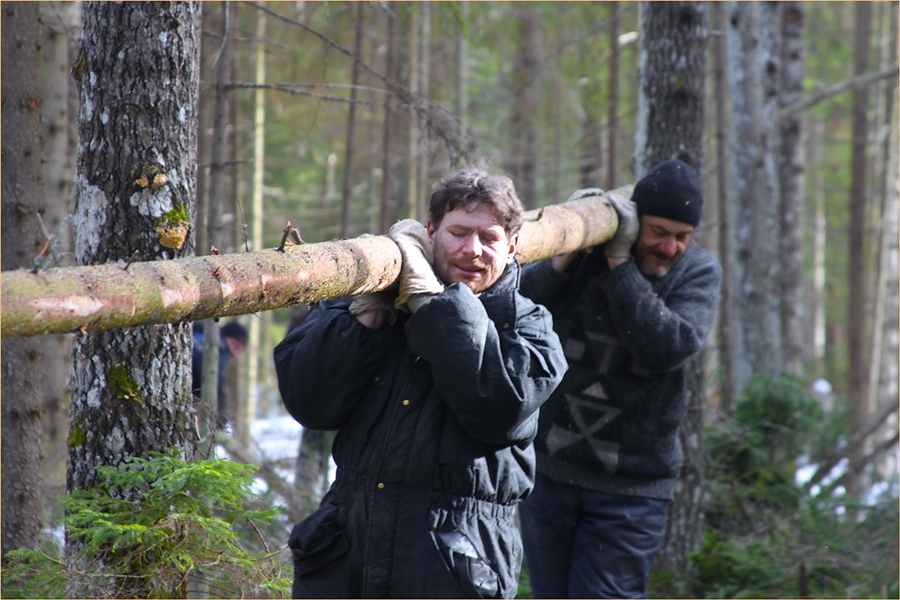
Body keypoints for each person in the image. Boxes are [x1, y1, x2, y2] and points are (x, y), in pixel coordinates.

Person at [273, 165, 568, 598]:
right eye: (458, 233)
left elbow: (496, 408)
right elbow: (310, 403)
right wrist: (367, 318)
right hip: (346, 552)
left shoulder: (529, 327)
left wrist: (432, 304)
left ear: (513, 246)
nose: (473, 250)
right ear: (430, 233)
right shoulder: (377, 301)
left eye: (489, 238)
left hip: (453, 562)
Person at [517, 159, 722, 598]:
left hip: (632, 491)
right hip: (549, 475)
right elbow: (517, 309)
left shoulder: (698, 273)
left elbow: (667, 345)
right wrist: (565, 250)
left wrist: (618, 264)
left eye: (681, 237)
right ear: (635, 222)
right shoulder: (585, 259)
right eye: (659, 232)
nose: (670, 248)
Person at [192, 320, 248, 428]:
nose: (235, 354)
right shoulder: (218, 347)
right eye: (236, 346)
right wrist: (221, 417)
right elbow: (216, 383)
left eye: (240, 351)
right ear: (228, 338)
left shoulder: (199, 333)